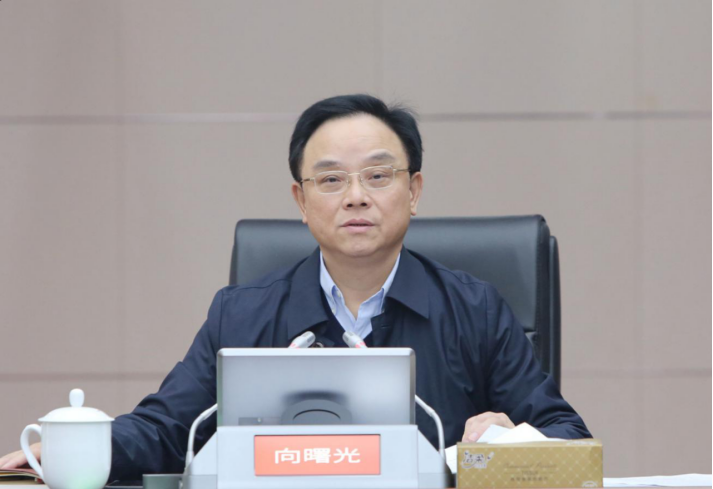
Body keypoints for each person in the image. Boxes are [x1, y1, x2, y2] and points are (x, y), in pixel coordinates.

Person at [0, 94, 591, 480]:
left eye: (378, 175)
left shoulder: (474, 308)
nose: (355, 197)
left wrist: (513, 440)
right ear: (301, 202)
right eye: (330, 180)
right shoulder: (242, 315)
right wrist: (77, 447)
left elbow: (569, 439)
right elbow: (166, 430)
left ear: (413, 192)